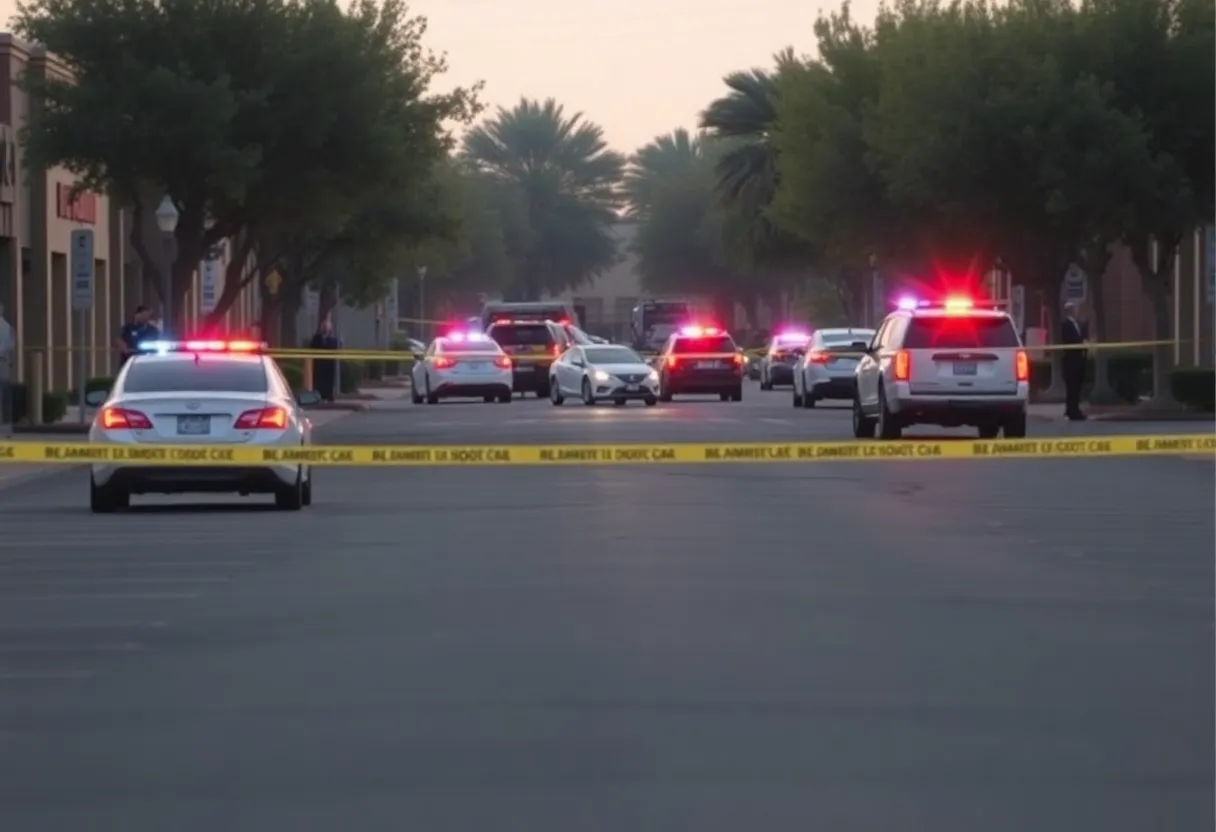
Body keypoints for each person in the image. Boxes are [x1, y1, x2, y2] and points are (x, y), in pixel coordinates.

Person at [1060, 301, 1088, 421]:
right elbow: (1070, 341)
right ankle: (1073, 411)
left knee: (1076, 388)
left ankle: (1072, 409)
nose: (1077, 311)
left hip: (1077, 362)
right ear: (1070, 311)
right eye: (1075, 309)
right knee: (1072, 388)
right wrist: (1082, 343)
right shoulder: (1067, 325)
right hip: (1071, 363)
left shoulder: (1077, 324)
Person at [309, 318, 341, 402]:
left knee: (329, 380)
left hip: (329, 363)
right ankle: (319, 396)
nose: (325, 328)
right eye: (324, 326)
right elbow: (312, 348)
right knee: (319, 380)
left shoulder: (333, 339)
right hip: (319, 363)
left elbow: (334, 349)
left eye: (327, 327)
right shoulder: (316, 338)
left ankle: (329, 396)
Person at [0, 302, 13, 432]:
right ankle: (6, 422)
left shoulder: (5, 326)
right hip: (4, 363)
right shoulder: (7, 326)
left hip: (2, 363)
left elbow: (8, 345)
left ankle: (4, 421)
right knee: (5, 395)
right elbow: (9, 346)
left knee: (4, 394)